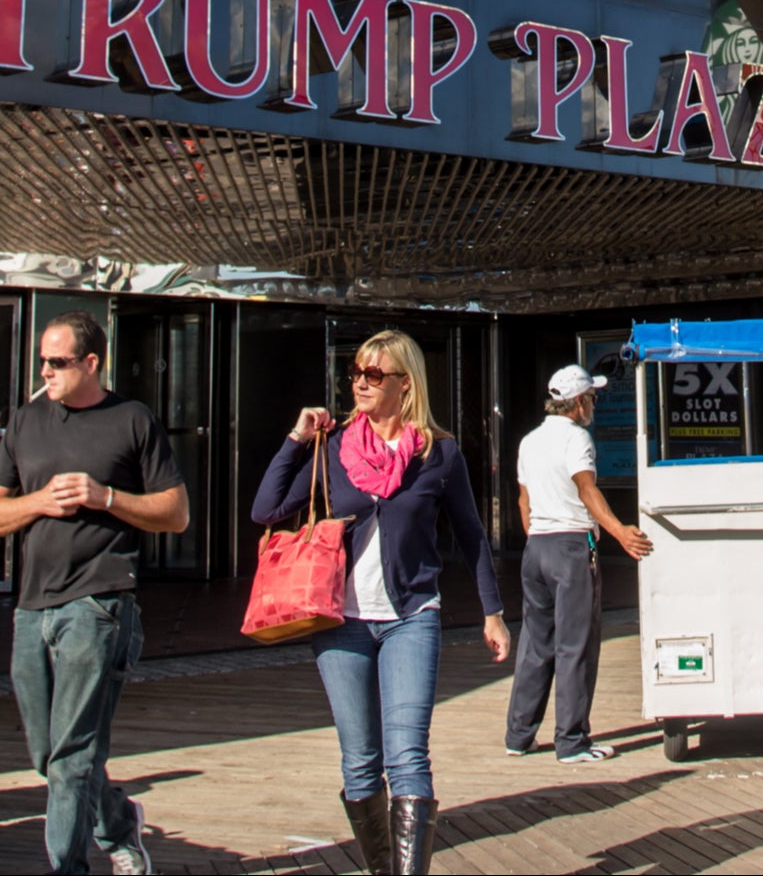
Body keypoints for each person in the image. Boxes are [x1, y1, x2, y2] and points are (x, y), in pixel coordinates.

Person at [253, 330, 508, 876]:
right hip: (339, 620)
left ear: (404, 384)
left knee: (409, 758)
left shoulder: (438, 453)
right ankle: (380, 868)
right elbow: (266, 509)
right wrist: (296, 439)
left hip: (412, 617)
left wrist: (493, 611)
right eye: (356, 374)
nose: (360, 384)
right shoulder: (334, 446)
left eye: (374, 375)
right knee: (361, 763)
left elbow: (470, 533)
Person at [0, 312, 187, 876]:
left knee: (72, 758)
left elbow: (176, 513)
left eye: (59, 362)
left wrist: (106, 497)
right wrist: (37, 503)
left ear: (93, 363)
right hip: (31, 608)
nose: (46, 371)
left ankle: (69, 868)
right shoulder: (27, 420)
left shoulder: (133, 420)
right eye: (43, 360)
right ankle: (117, 821)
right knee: (50, 755)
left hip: (100, 602)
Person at [505, 365, 650, 768]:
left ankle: (519, 735)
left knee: (536, 643)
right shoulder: (578, 438)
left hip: (536, 548)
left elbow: (523, 502)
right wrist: (620, 532)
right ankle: (572, 741)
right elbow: (587, 490)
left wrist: (538, 538)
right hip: (570, 548)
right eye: (593, 398)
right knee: (576, 645)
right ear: (578, 403)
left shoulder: (529, 441)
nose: (594, 405)